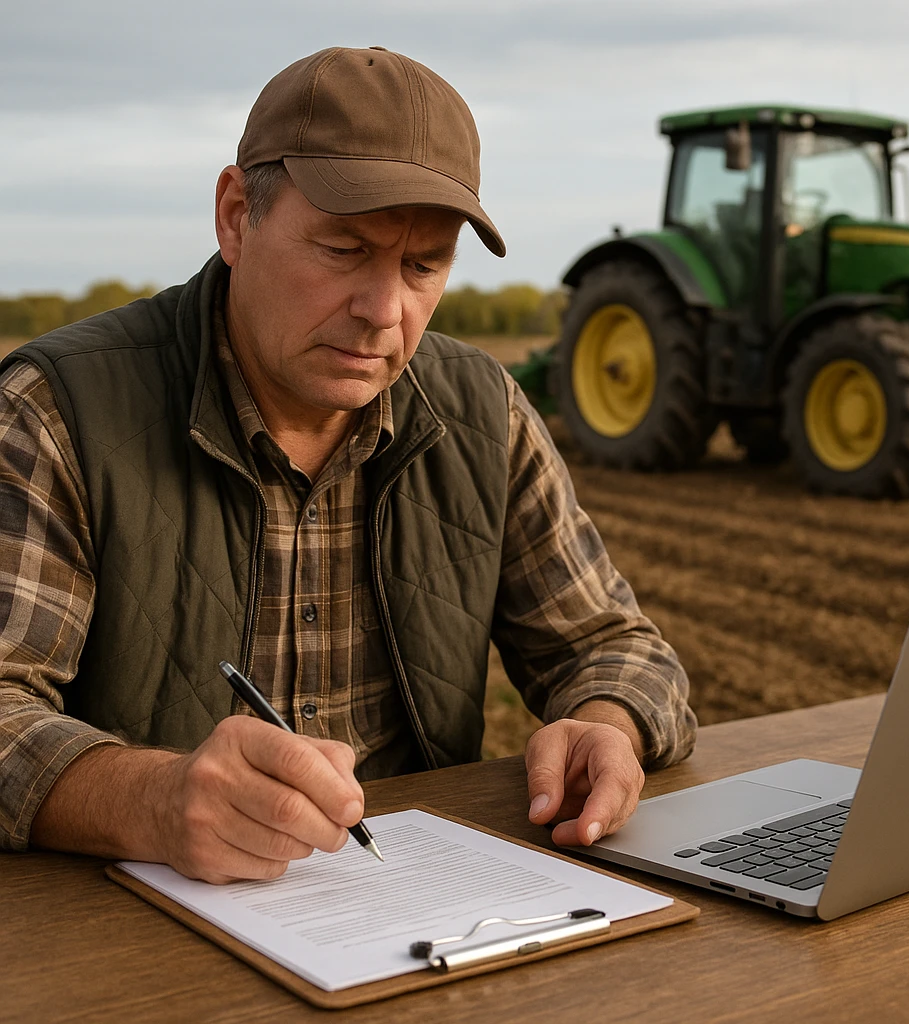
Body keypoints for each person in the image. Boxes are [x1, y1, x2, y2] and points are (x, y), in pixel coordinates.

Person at [0, 46, 696, 882]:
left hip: (420, 916)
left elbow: (612, 643)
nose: (383, 311)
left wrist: (607, 721)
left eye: (423, 265)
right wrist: (154, 798)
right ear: (235, 216)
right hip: (136, 944)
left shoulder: (484, 409)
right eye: (342, 250)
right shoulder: (57, 409)